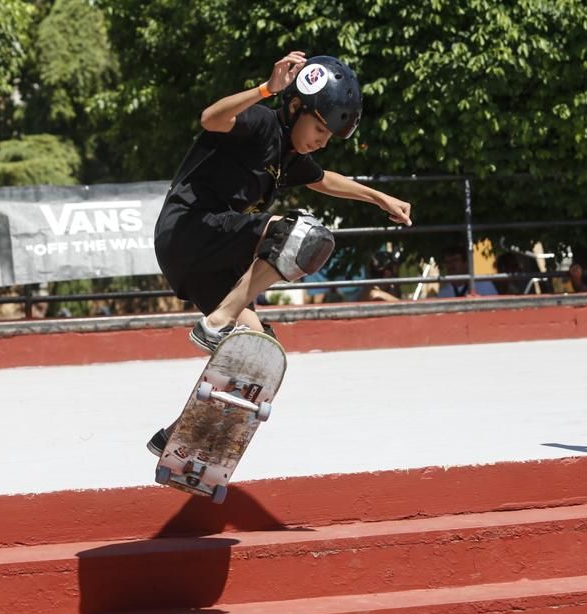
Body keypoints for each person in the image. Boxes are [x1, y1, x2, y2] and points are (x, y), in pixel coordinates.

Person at [147, 51, 412, 454]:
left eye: (327, 137)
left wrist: (379, 198)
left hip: (206, 257)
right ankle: (217, 322)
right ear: (294, 106)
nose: (320, 142)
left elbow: (325, 180)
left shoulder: (289, 157)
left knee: (259, 352)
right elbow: (210, 118)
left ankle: (179, 434)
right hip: (189, 229)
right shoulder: (262, 123)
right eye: (319, 128)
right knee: (302, 235)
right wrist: (264, 89)